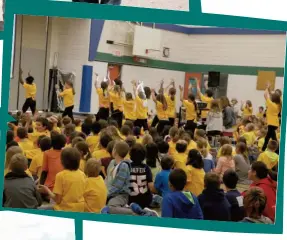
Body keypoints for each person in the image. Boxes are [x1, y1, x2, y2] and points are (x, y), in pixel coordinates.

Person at [104, 141, 131, 212]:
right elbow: (107, 178)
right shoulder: (112, 162)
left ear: (115, 151)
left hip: (120, 195)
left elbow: (118, 186)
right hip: (109, 193)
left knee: (111, 207)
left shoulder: (123, 166)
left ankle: (135, 213)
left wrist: (105, 195)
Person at [128, 144, 153, 208]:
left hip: (130, 200)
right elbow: (151, 186)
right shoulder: (146, 168)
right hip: (145, 200)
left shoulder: (128, 166)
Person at [262, 84, 281, 152]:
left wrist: (266, 88)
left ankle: (264, 149)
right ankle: (277, 150)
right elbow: (272, 95)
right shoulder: (278, 105)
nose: (270, 97)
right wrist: (269, 89)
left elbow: (265, 95)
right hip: (275, 123)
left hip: (272, 123)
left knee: (268, 137)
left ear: (273, 99)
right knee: (273, 137)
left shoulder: (271, 104)